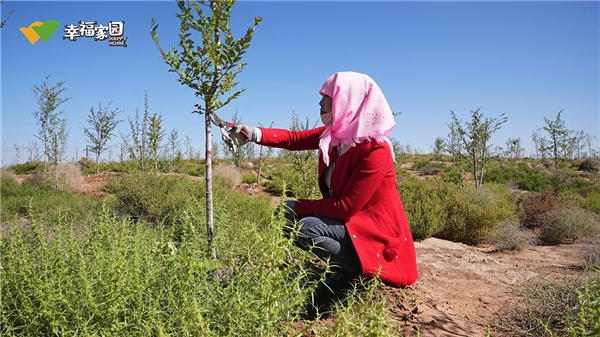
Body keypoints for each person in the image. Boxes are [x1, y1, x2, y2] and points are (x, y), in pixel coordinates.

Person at [229, 71, 419, 293]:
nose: (320, 102)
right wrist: (252, 133)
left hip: (375, 234)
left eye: (327, 96)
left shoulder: (375, 150)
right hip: (352, 224)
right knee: (286, 218)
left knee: (307, 228)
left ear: (348, 98)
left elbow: (345, 207)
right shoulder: (337, 136)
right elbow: (293, 139)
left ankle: (352, 273)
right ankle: (342, 269)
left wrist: (297, 205)